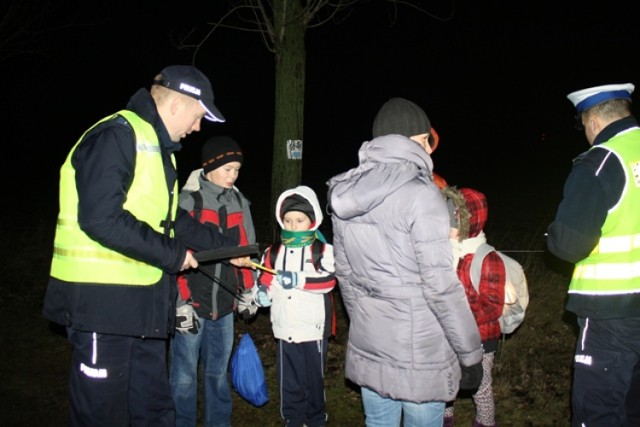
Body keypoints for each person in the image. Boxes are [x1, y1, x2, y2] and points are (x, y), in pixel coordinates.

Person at [43, 65, 253, 427]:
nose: (197, 127)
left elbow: (177, 221)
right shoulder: (116, 135)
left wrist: (229, 250)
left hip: (145, 308)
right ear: (176, 106)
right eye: (198, 116)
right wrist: (173, 255)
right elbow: (101, 219)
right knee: (103, 415)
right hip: (101, 307)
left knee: (154, 411)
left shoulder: (161, 152)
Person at [326, 97, 484, 427]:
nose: (431, 150)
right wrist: (470, 355)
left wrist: (367, 318)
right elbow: (440, 286)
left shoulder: (345, 193)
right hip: (421, 352)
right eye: (430, 140)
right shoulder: (422, 194)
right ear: (417, 139)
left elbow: (346, 274)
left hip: (372, 340)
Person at [547, 82, 640, 426]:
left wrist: (553, 234)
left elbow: (569, 244)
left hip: (610, 312)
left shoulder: (600, 162)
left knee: (598, 412)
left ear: (593, 121)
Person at [169, 135, 258, 427]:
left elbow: (246, 250)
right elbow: (175, 254)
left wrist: (247, 291)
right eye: (227, 168)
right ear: (209, 167)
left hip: (225, 305)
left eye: (237, 170)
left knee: (217, 374)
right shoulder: (188, 201)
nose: (233, 175)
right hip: (192, 304)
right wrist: (180, 304)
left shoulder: (239, 202)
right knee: (183, 376)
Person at [252, 185, 337, 427]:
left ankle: (315, 418)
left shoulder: (322, 250)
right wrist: (260, 295)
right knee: (288, 378)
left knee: (313, 379)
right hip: (284, 326)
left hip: (312, 328)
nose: (292, 225)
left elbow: (329, 281)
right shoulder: (274, 251)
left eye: (299, 220)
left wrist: (299, 280)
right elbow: (265, 279)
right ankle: (292, 417)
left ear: (311, 221)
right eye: (287, 220)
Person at [441, 186, 505, 427]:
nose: (448, 219)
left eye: (454, 215)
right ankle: (444, 418)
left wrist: (458, 314)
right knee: (446, 379)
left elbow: (493, 307)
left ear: (470, 219)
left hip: (481, 338)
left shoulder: (487, 258)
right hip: (449, 335)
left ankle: (486, 422)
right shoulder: (448, 253)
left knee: (481, 385)